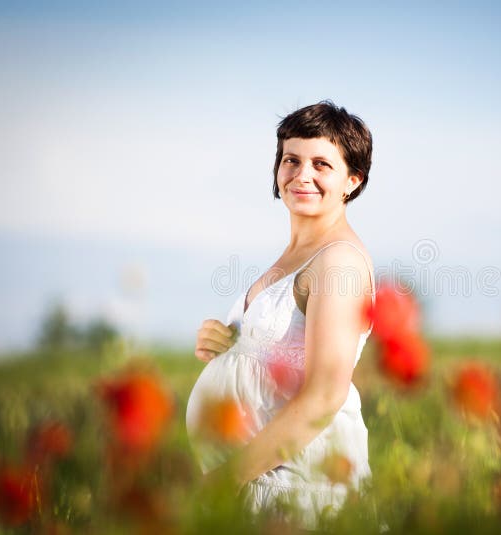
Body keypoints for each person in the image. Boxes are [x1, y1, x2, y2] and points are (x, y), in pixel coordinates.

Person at [185, 100, 375, 529]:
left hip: (297, 491)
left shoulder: (338, 262)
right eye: (291, 159)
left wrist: (222, 481)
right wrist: (224, 344)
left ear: (352, 180)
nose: (302, 174)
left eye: (321, 164)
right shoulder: (294, 255)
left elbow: (324, 397)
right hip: (260, 484)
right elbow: (275, 349)